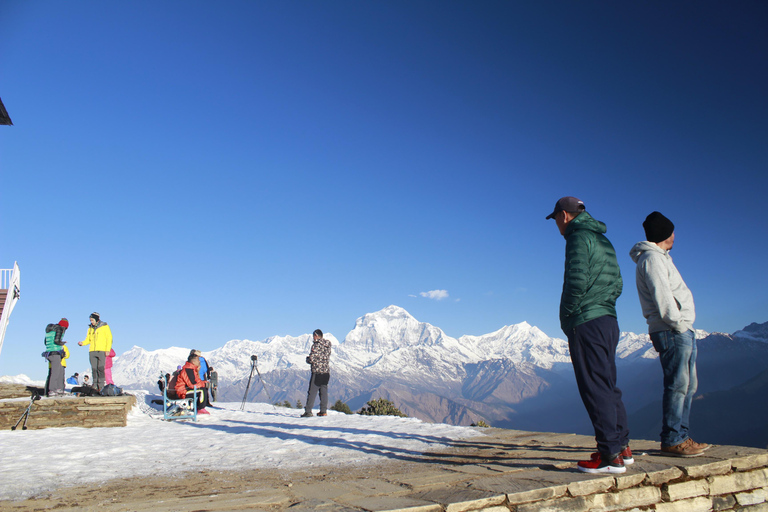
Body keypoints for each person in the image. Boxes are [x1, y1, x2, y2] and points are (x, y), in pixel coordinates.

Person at [547, 196, 630, 474]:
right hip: (608, 319)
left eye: (556, 218)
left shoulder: (577, 238)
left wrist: (568, 315)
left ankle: (609, 454)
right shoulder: (603, 240)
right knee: (608, 384)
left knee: (594, 388)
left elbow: (576, 280)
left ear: (564, 215)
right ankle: (622, 446)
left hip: (586, 320)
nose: (556, 224)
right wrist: (604, 303)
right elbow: (618, 283)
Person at [630, 211, 710, 457]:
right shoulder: (652, 260)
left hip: (679, 329)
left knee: (688, 385)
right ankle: (673, 439)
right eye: (671, 231)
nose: (674, 235)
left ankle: (681, 436)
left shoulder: (661, 258)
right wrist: (678, 323)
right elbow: (662, 296)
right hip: (672, 329)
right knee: (678, 385)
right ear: (664, 234)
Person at [78, 312, 113, 391]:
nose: (91, 322)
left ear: (97, 320)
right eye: (90, 320)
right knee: (94, 368)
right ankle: (95, 384)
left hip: (101, 350)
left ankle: (101, 385)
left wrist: (107, 349)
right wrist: (82, 343)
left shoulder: (105, 327)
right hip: (92, 350)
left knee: (100, 368)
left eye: (92, 320)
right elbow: (88, 339)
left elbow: (109, 338)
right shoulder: (90, 328)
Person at [302, 329, 332, 418]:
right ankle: (323, 411)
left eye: (313, 336)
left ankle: (308, 411)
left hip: (317, 372)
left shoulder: (316, 346)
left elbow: (312, 359)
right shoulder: (328, 345)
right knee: (323, 391)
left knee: (312, 392)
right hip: (326, 372)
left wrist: (308, 359)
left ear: (316, 335)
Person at [43, 318, 69, 396]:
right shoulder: (59, 329)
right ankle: (53, 390)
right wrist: (62, 343)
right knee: (55, 373)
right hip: (55, 353)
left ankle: (57, 389)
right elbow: (56, 341)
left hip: (49, 352)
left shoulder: (50, 330)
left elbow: (45, 342)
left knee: (56, 371)